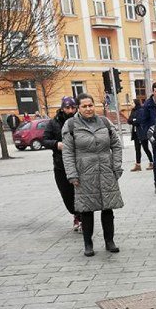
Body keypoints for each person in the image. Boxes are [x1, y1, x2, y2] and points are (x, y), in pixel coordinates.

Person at [62, 93, 123, 256]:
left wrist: (116, 166)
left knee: (108, 207)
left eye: (90, 105)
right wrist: (72, 174)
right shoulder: (71, 125)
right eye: (84, 106)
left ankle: (109, 241)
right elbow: (67, 153)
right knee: (87, 210)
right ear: (78, 108)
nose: (88, 109)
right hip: (84, 174)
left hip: (106, 171)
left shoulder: (104, 122)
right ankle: (88, 244)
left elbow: (116, 145)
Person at [42, 96, 80, 231]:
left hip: (80, 163)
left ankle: (81, 217)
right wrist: (56, 144)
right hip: (61, 165)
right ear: (62, 108)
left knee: (81, 193)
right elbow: (44, 140)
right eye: (67, 107)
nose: (70, 110)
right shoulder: (54, 123)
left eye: (73, 107)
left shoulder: (80, 120)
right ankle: (75, 212)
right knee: (67, 195)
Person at [127, 99, 154, 173]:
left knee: (146, 148)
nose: (131, 104)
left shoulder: (141, 110)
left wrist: (134, 120)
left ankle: (152, 162)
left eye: (132, 102)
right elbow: (129, 120)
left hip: (142, 132)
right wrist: (133, 120)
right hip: (136, 133)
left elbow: (139, 120)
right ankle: (138, 165)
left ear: (136, 103)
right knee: (137, 149)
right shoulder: (133, 111)